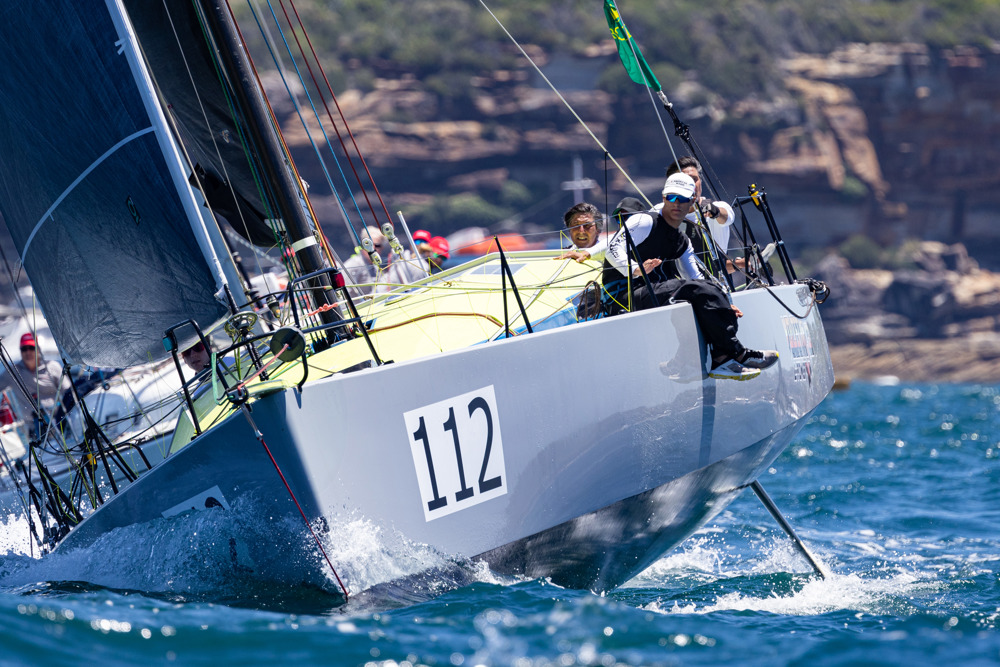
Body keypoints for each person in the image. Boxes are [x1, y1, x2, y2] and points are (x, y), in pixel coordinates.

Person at [602, 173, 778, 381]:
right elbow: (612, 250)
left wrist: (724, 303)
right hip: (622, 296)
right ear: (664, 197)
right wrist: (636, 269)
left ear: (692, 202)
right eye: (672, 198)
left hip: (651, 293)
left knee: (710, 289)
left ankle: (719, 358)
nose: (677, 204)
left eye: (683, 199)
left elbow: (696, 277)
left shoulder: (681, 240)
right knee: (697, 290)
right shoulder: (645, 221)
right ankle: (738, 353)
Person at [659, 156, 735, 274]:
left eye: (695, 179)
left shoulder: (718, 206)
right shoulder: (660, 211)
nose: (692, 185)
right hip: (675, 287)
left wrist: (715, 211)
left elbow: (727, 217)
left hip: (715, 286)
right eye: (686, 180)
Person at [0, 333, 64, 435]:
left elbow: (70, 393)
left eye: (31, 347)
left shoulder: (53, 367)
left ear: (38, 349)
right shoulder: (12, 372)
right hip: (34, 429)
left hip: (60, 423)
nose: (28, 352)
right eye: (24, 349)